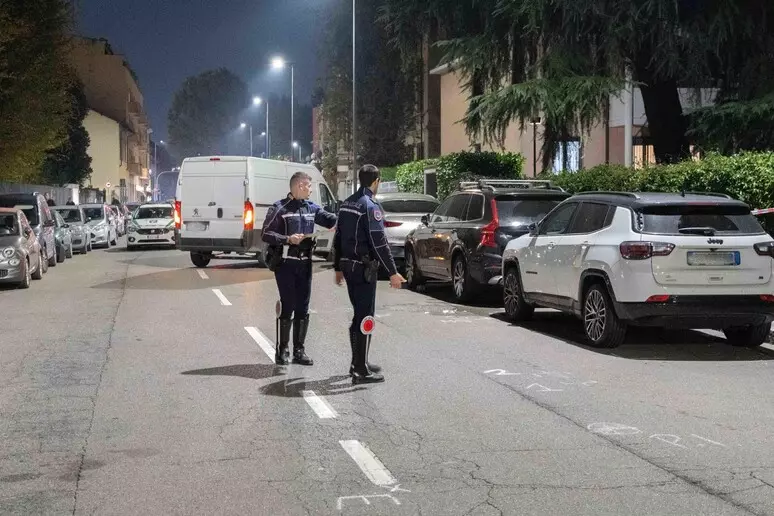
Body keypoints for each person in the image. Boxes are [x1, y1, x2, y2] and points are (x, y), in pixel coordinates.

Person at [333, 164, 406, 385]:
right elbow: (379, 242)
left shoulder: (347, 204)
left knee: (358, 314)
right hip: (363, 268)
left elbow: (338, 237)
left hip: (348, 266)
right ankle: (360, 370)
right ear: (376, 181)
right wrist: (393, 272)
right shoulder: (370, 205)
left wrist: (337, 267)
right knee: (365, 317)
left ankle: (359, 361)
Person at [261, 171, 337, 365]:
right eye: (309, 186)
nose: (311, 189)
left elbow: (331, 219)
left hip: (305, 263)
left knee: (303, 305)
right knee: (288, 305)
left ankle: (299, 351)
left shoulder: (311, 208)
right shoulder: (280, 208)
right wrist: (287, 238)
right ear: (299, 186)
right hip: (286, 263)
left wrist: (344, 219)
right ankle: (282, 350)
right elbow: (266, 233)